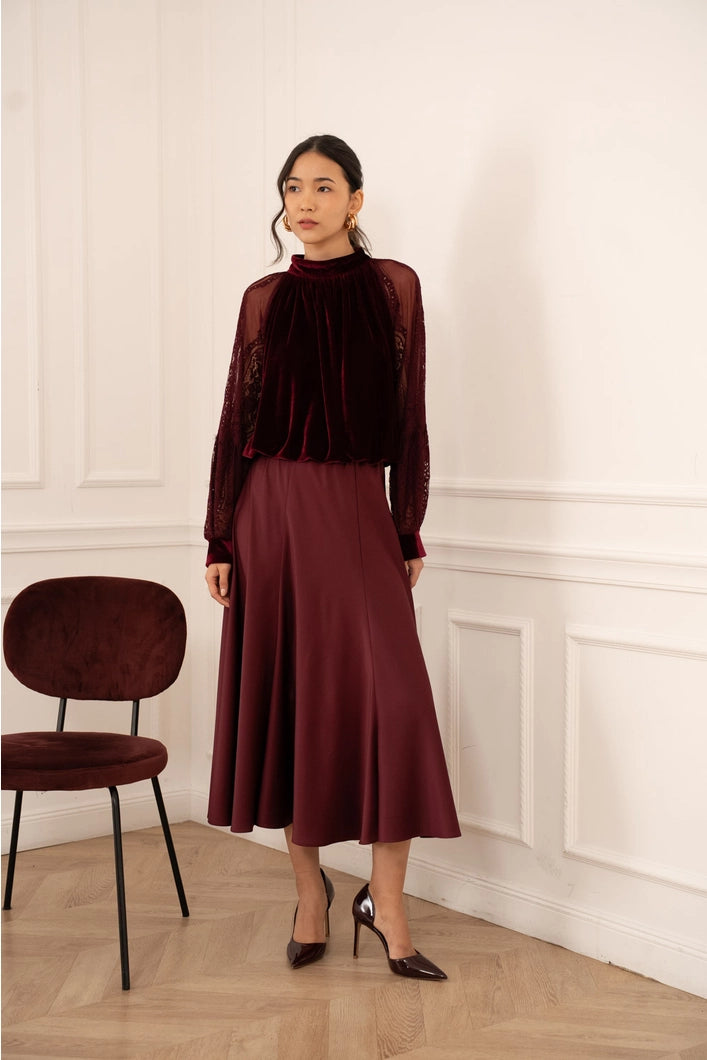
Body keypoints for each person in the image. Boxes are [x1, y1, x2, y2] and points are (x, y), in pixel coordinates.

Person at [204, 134, 460, 980]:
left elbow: (409, 410)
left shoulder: (395, 290)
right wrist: (220, 534)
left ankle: (386, 907)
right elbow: (235, 422)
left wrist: (405, 522)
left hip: (355, 514)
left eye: (322, 186)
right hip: (270, 515)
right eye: (290, 187)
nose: (303, 202)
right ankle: (311, 895)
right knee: (294, 704)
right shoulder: (263, 298)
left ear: (355, 200)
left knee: (393, 705)